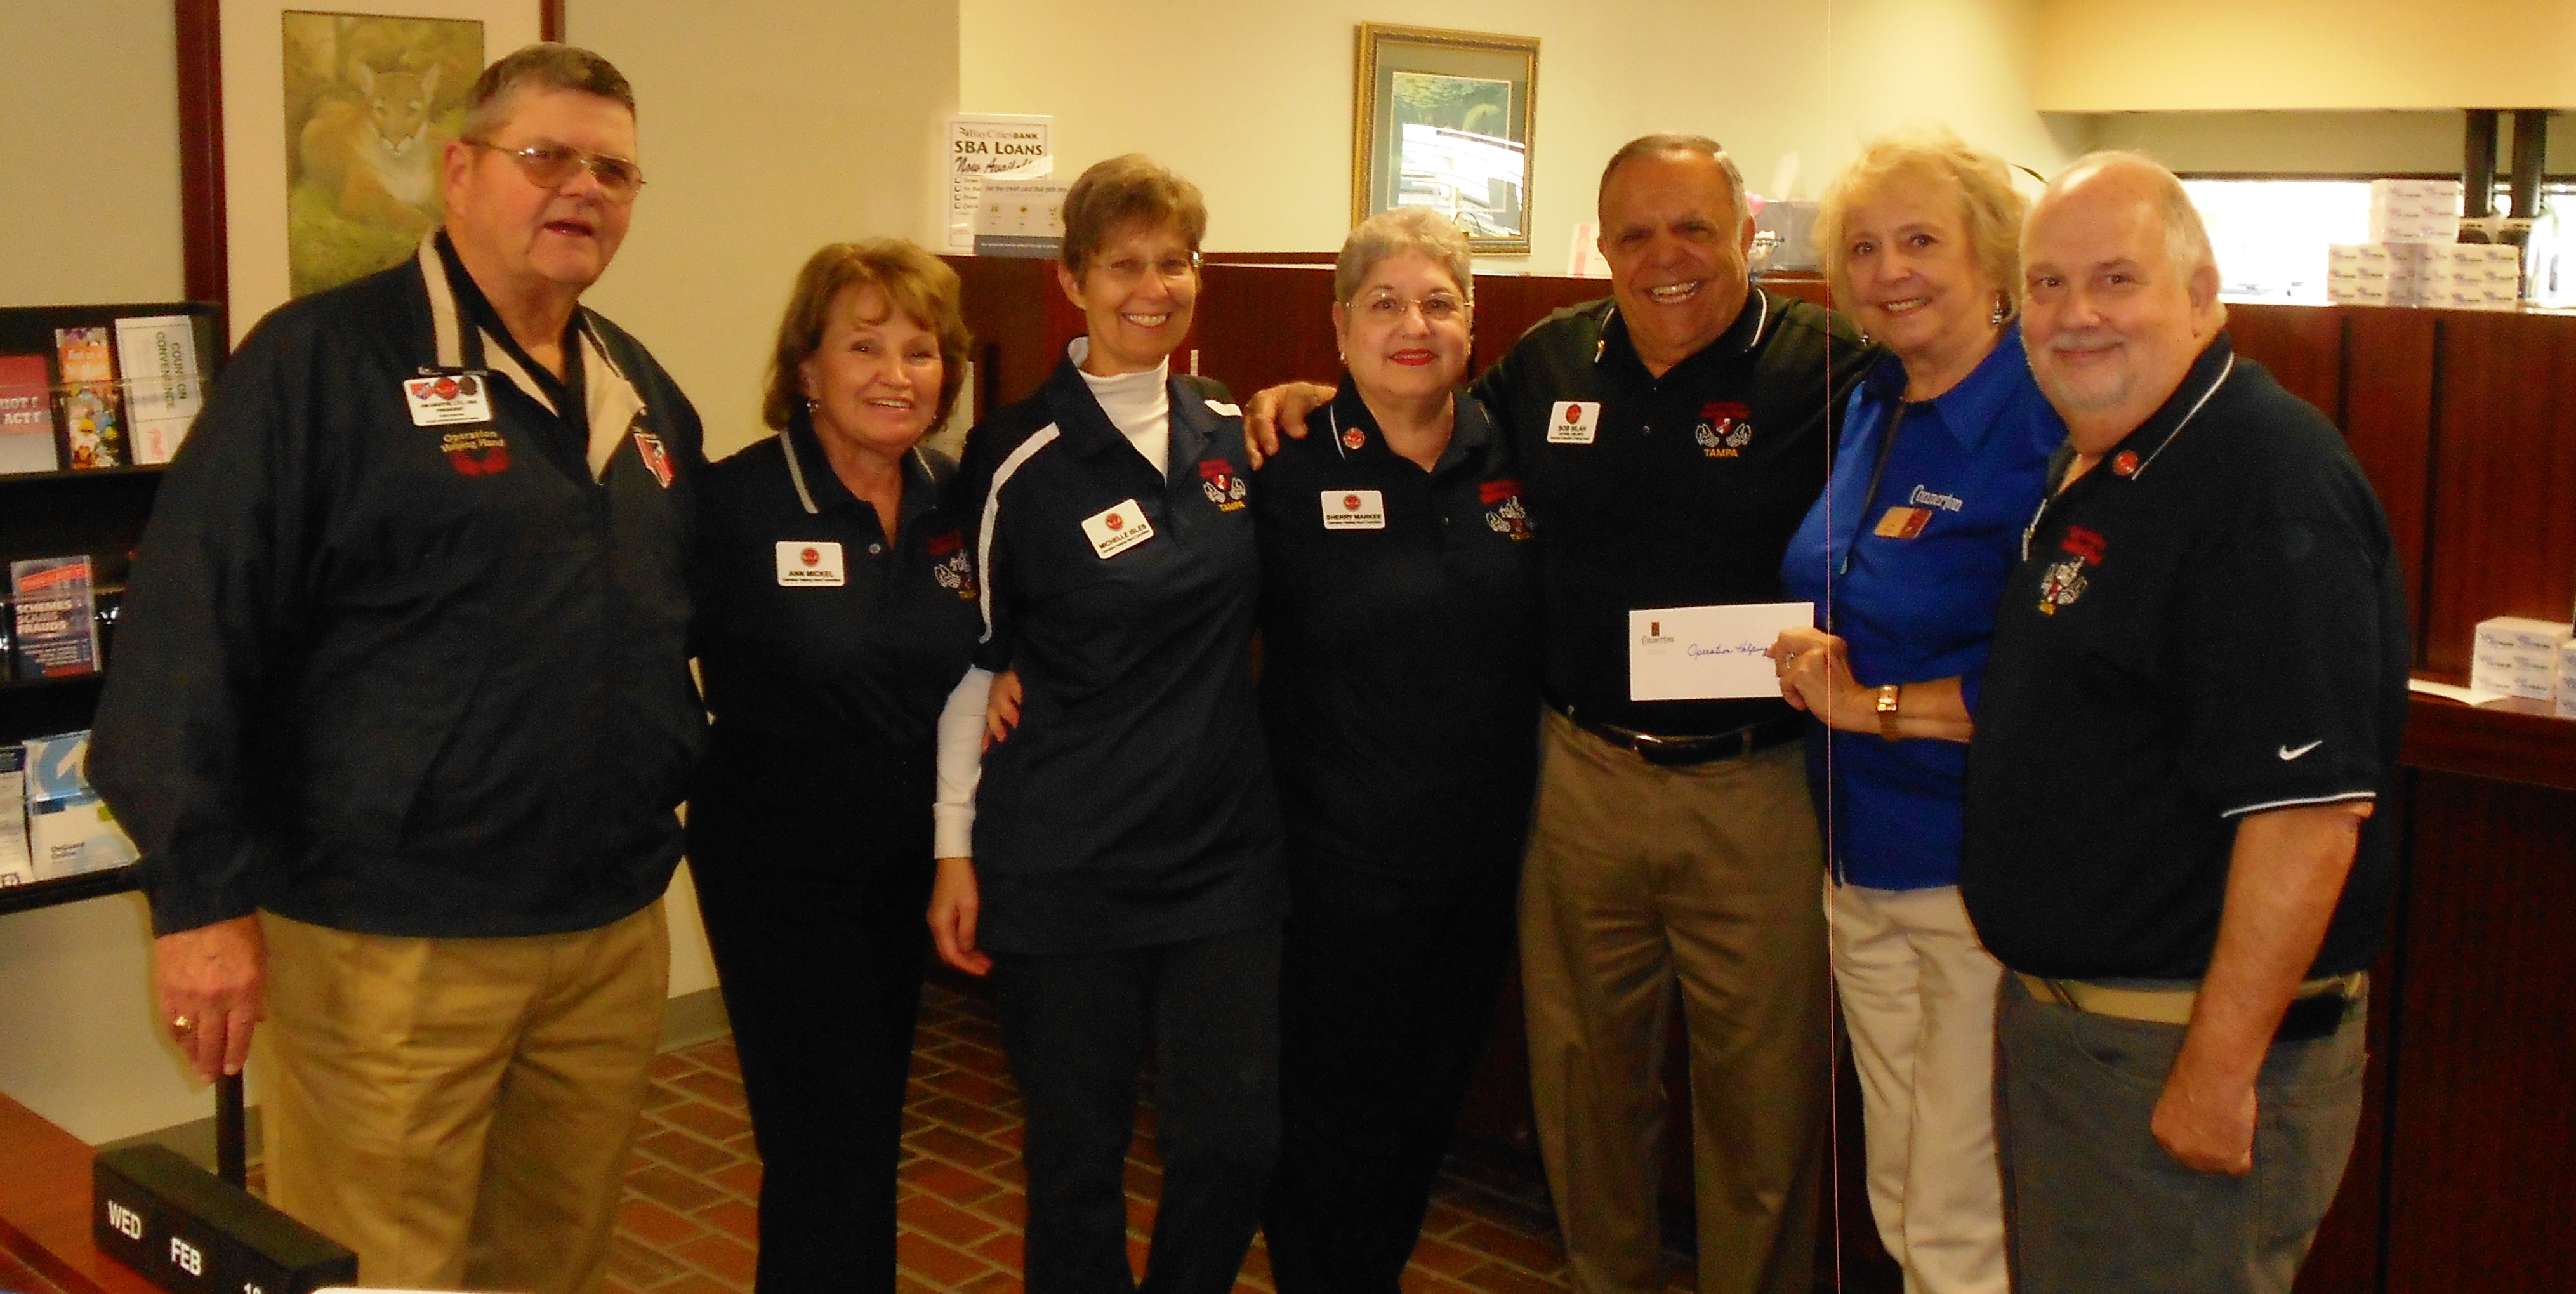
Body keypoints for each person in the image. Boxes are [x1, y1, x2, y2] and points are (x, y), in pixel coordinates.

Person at [89, 44, 701, 1294]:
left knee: (557, 1265)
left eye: (613, 171)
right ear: (460, 172)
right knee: (384, 1276)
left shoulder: (637, 389)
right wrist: (199, 906)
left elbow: (686, 615)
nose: (582, 190)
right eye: (547, 157)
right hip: (391, 944)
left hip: (605, 933)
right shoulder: (321, 364)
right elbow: (186, 633)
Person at [1249, 134, 1870, 1294]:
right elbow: (1410, 407)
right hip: (1580, 779)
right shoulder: (1550, 361)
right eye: (1635, 234)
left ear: (1748, 235)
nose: (1665, 257)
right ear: (1604, 248)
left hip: (1755, 787)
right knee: (1586, 1091)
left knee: (1762, 1106)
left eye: (1694, 228)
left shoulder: (1831, 368)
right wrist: (1309, 400)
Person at [1960, 151, 2409, 1294]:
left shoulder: (2263, 481)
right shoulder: (2116, 465)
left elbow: (2308, 817)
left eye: (2117, 279)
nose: (2076, 315)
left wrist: (2217, 1072)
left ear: (2204, 296)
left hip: (2173, 1055)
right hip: (2086, 1041)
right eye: (2049, 285)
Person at [928, 154, 1285, 1293]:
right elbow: (971, 665)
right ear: (1074, 280)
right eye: (1123, 265)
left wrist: (1315, 397)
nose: (1152, 288)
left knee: (1232, 1144)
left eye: (1174, 262)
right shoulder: (1016, 455)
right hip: (1066, 860)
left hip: (1221, 861)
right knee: (1076, 1164)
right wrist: (952, 849)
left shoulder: (1234, 425)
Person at [1763, 129, 2061, 1294]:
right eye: (1865, 248)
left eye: (1922, 241)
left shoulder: (2045, 413)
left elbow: (2064, 683)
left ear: (1994, 256)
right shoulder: (1874, 401)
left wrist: (1871, 705)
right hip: (1857, 860)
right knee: (1897, 1192)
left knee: (1957, 1211)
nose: (1891, 271)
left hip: (1974, 877)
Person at [1251, 208, 1541, 1291]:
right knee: (1326, 1125)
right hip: (1330, 875)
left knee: (1425, 1112)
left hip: (1477, 870)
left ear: (1473, 323)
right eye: (1384, 304)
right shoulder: (1281, 464)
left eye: (1438, 303)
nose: (1413, 326)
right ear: (1339, 328)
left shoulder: (1517, 452)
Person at [687, 240, 979, 1293]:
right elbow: (635, 654)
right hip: (779, 872)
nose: (897, 375)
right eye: (865, 346)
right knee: (826, 1144)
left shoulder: (953, 496)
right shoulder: (736, 505)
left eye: (922, 351)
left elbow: (987, 647)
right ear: (806, 366)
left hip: (907, 866)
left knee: (864, 1135)